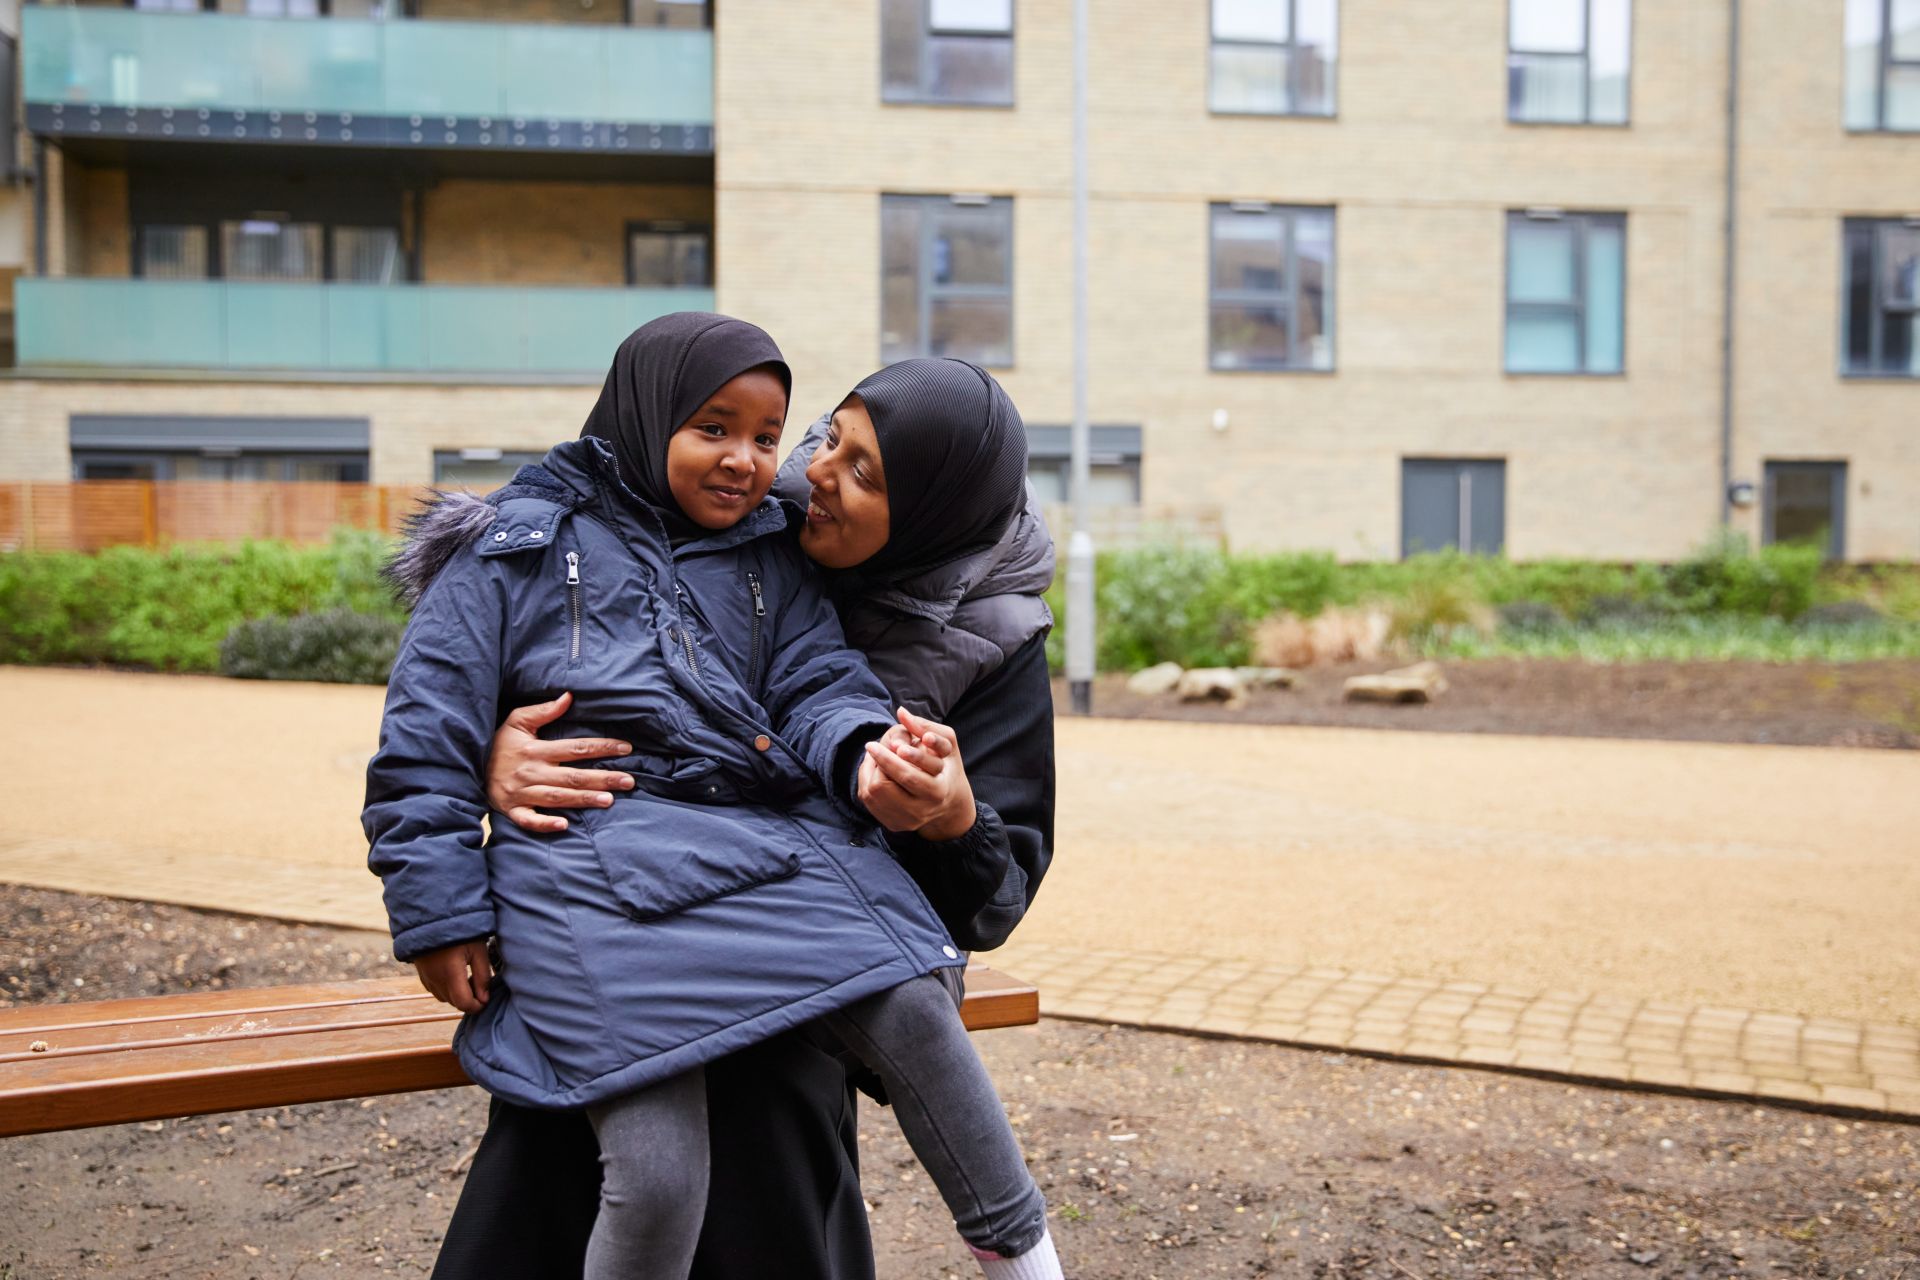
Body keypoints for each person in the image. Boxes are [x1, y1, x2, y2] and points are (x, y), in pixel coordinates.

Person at [365, 316, 1061, 1280]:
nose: (799, 470)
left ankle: (1023, 1255)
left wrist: (936, 806)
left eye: (860, 473)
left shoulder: (971, 634)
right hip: (605, 879)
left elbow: (832, 698)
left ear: (932, 512)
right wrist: (477, 798)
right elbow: (434, 718)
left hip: (776, 907)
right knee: (623, 1148)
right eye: (828, 441)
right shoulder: (714, 520)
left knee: (848, 1047)